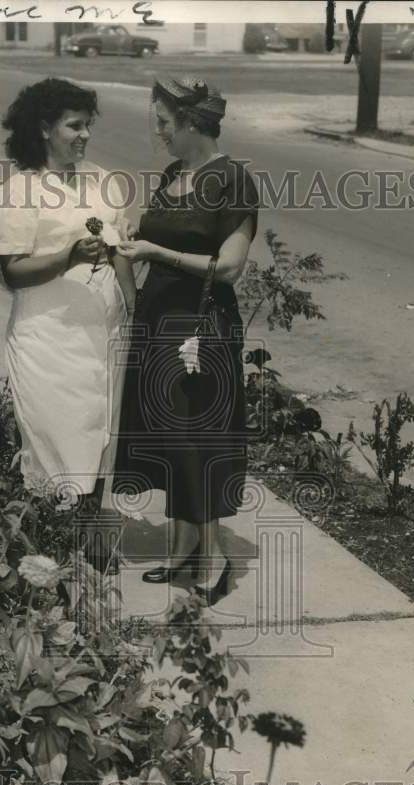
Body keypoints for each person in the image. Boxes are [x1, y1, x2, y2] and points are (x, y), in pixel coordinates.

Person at [112, 77, 259, 606]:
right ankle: (183, 553)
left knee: (200, 435)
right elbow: (159, 236)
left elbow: (229, 268)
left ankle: (214, 559)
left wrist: (156, 252)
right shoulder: (176, 174)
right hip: (158, 320)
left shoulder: (233, 181)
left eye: (165, 123)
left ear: (193, 124)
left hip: (201, 326)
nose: (159, 133)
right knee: (171, 435)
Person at [0, 79, 137, 530]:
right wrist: (67, 257)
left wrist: (137, 314)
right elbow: (13, 272)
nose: (85, 135)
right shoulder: (19, 192)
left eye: (88, 125)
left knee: (97, 433)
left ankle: (85, 544)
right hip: (47, 337)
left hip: (102, 335)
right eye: (74, 126)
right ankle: (51, 541)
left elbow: (120, 257)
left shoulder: (104, 181)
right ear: (44, 128)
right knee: (56, 434)